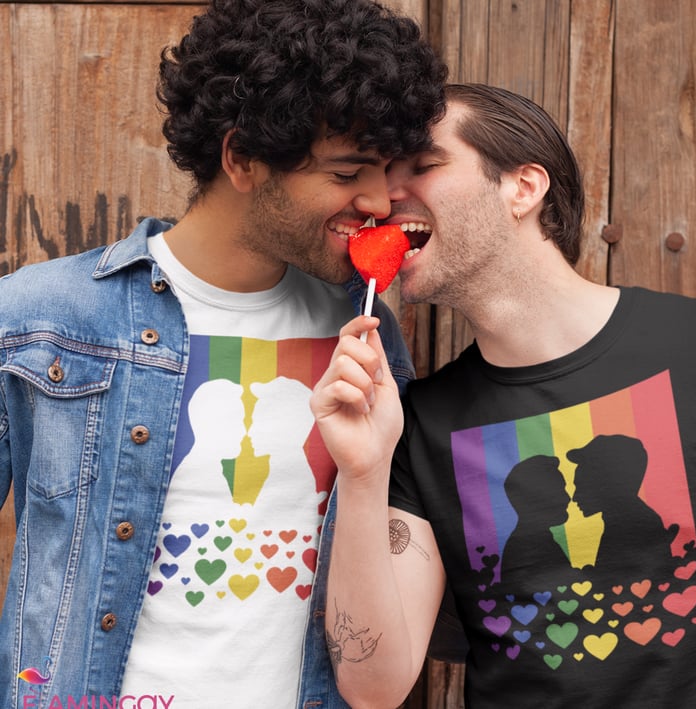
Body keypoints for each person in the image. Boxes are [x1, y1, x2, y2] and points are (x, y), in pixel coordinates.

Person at [0, 1, 447, 706]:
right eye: (347, 172)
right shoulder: (39, 318)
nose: (377, 200)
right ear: (240, 158)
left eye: (384, 169)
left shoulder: (365, 338)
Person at [310, 83, 696, 708]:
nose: (383, 197)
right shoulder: (415, 423)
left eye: (422, 165)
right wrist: (362, 475)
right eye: (383, 172)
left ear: (523, 187)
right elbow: (373, 687)